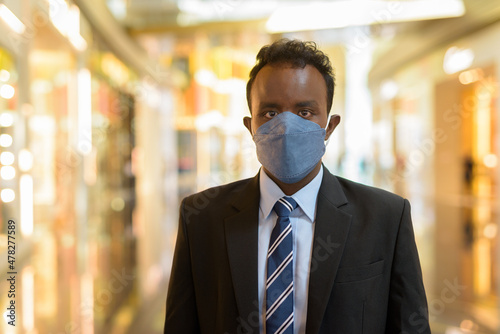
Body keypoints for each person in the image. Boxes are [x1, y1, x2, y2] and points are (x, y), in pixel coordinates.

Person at [164, 39, 430, 334]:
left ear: (329, 126)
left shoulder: (385, 217)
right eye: (270, 113)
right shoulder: (201, 218)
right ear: (250, 126)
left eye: (304, 112)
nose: (286, 126)